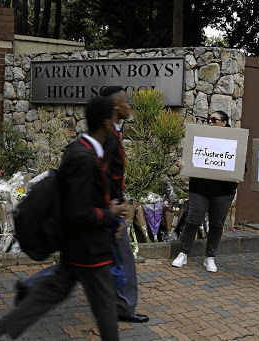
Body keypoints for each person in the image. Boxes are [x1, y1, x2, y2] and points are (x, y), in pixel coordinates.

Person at [0, 96, 128, 341]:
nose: (117, 122)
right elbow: (80, 212)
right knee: (106, 309)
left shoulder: (81, 148)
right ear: (108, 123)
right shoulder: (85, 159)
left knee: (51, 292)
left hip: (75, 246)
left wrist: (107, 205)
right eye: (115, 118)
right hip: (91, 250)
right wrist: (111, 213)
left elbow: (82, 196)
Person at [100, 86, 149, 323]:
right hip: (109, 210)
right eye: (126, 102)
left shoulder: (112, 132)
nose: (129, 106)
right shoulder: (107, 135)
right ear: (116, 106)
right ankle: (124, 308)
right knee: (123, 258)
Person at [172, 111, 239, 272]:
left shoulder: (234, 141)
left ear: (224, 123)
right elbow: (191, 159)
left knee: (217, 224)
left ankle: (210, 257)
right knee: (193, 219)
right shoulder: (200, 138)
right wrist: (184, 164)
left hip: (223, 190)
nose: (210, 121)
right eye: (208, 119)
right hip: (200, 188)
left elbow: (241, 167)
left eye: (214, 119)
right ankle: (183, 253)